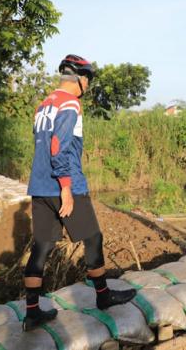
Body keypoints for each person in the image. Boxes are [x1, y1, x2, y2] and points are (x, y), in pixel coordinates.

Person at [23, 54, 136, 331]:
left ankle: (33, 311)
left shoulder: (43, 104)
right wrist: (66, 188)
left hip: (39, 186)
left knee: (43, 246)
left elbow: (43, 145)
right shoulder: (70, 104)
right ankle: (103, 296)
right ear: (82, 79)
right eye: (88, 80)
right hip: (66, 183)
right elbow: (58, 147)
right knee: (93, 238)